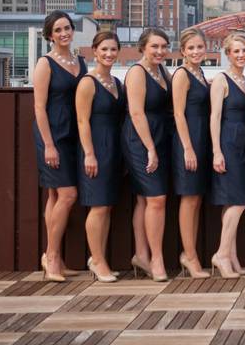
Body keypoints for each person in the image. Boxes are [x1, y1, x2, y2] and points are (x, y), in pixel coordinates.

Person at [32, 10, 87, 282]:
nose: (64, 33)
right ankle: (51, 256)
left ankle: (55, 257)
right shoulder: (46, 63)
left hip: (74, 136)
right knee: (67, 195)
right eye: (58, 30)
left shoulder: (79, 60)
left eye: (67, 28)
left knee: (55, 197)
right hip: (52, 136)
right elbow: (39, 108)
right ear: (50, 35)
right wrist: (48, 145)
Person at [122, 28, 173, 282]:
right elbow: (136, 113)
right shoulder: (137, 72)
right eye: (155, 46)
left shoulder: (162, 71)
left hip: (160, 136)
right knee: (157, 199)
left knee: (144, 200)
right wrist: (150, 148)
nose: (160, 51)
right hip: (140, 140)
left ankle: (141, 255)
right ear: (142, 47)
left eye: (164, 46)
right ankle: (156, 258)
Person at [75, 31, 124, 283]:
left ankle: (100, 258)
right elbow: (82, 120)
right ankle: (97, 259)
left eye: (113, 49)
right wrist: (89, 154)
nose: (108, 54)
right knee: (98, 205)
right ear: (94, 51)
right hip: (95, 147)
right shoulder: (87, 82)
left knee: (107, 205)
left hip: (115, 147)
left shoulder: (116, 82)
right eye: (104, 49)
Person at [209, 33, 245, 278]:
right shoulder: (221, 79)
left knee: (233, 201)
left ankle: (233, 257)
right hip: (228, 143)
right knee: (237, 202)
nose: (240, 55)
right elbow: (214, 117)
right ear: (227, 54)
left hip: (244, 144)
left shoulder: (244, 80)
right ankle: (221, 254)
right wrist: (217, 151)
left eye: (244, 51)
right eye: (236, 51)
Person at [171, 28, 211, 279]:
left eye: (199, 47)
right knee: (188, 199)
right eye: (191, 48)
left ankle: (191, 253)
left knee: (196, 199)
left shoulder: (201, 73)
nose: (196, 51)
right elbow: (178, 113)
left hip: (201, 138)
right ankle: (189, 255)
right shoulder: (182, 75)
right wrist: (187, 147)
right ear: (183, 51)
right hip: (188, 140)